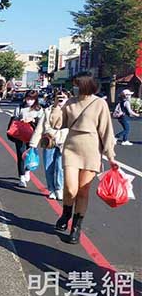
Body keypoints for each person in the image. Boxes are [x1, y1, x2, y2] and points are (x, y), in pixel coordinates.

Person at [50, 72, 117, 244]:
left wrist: (111, 156)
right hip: (71, 148)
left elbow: (106, 131)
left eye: (77, 84)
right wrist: (57, 105)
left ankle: (76, 227)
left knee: (83, 190)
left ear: (86, 84)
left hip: (91, 150)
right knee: (70, 188)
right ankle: (66, 214)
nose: (74, 87)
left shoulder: (99, 103)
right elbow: (56, 124)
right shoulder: (70, 102)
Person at [29, 91, 70, 200]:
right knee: (49, 167)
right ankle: (51, 189)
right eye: (59, 97)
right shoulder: (47, 111)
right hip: (49, 142)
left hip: (63, 143)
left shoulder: (70, 111)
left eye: (64, 98)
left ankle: (59, 188)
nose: (61, 100)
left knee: (60, 167)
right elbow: (39, 128)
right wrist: (33, 144)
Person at [13, 90, 44, 187]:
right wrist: (20, 120)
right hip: (20, 134)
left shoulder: (39, 109)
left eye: (32, 99)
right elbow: (14, 119)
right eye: (28, 98)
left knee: (29, 154)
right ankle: (21, 177)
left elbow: (42, 122)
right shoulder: (20, 107)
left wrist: (33, 120)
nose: (29, 101)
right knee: (21, 154)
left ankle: (27, 170)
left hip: (32, 135)